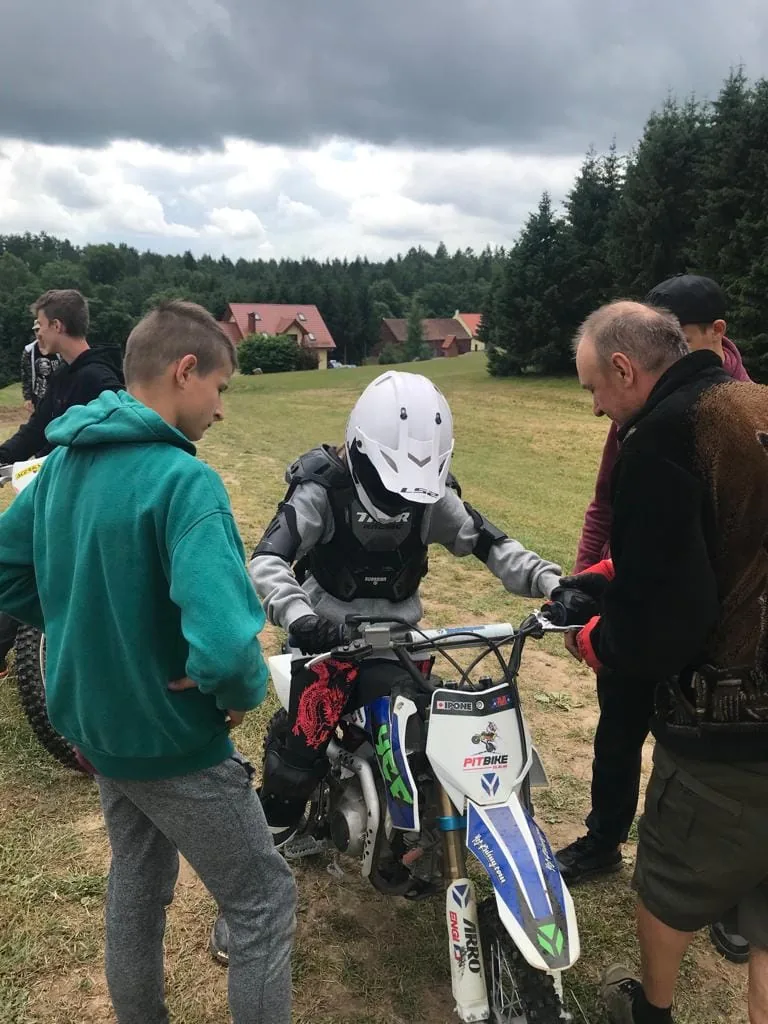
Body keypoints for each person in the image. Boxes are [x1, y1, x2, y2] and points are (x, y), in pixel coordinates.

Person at [0, 301, 296, 1024]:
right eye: (220, 389)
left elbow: (8, 572)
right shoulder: (184, 483)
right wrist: (238, 688)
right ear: (184, 370)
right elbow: (228, 649)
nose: (221, 410)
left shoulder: (60, 465)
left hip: (95, 728)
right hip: (171, 738)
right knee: (264, 901)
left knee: (136, 879)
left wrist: (82, 628)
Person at [210, 369, 563, 963]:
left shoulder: (431, 498)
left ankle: (415, 840)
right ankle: (251, 883)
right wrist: (301, 618)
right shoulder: (321, 490)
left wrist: (555, 583)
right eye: (388, 482)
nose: (403, 499)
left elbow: (491, 544)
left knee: (439, 738)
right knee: (296, 752)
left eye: (415, 491)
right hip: (329, 641)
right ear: (361, 452)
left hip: (402, 643)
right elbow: (268, 560)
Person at [559, 300, 768, 1024]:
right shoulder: (755, 406)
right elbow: (722, 547)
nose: (594, 409)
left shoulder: (660, 439)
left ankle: (650, 1008)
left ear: (624, 368)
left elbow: (667, 625)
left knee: (667, 884)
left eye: (593, 388)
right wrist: (613, 574)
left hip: (726, 729)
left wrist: (598, 641)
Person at [0, 289, 125, 678]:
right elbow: (37, 432)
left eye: (40, 325)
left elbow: (115, 439)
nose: (36, 331)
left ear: (58, 325)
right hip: (56, 489)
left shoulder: (101, 378)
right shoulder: (65, 375)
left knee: (36, 565)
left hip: (86, 499)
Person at [21, 319, 63, 414]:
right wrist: (27, 398)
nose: (38, 333)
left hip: (57, 394)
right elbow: (26, 375)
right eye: (36, 330)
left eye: (40, 329)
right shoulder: (29, 351)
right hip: (38, 396)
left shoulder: (58, 348)